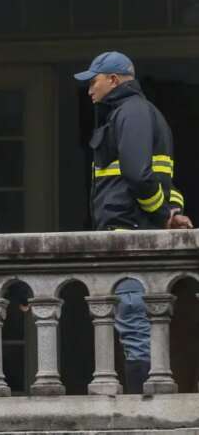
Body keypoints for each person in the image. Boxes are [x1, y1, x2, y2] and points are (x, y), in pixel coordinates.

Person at [74, 51, 193, 393]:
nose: (88, 90)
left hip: (131, 236)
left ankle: (143, 413)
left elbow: (140, 177)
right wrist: (169, 211)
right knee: (137, 328)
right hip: (133, 231)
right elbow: (163, 180)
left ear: (113, 79)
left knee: (136, 329)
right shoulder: (135, 114)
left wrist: (162, 215)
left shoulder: (131, 113)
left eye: (92, 82)